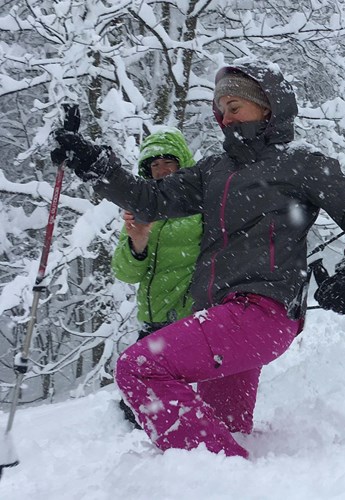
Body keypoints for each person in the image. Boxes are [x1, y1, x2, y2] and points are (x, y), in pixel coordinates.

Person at [50, 63, 345, 458]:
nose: (225, 118)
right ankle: (234, 480)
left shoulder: (303, 162)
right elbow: (149, 199)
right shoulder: (214, 170)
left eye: (234, 107)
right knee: (221, 436)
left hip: (262, 312)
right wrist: (92, 162)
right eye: (220, 110)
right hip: (222, 315)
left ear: (268, 106)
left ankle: (227, 481)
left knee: (138, 367)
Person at [110, 128, 202, 427]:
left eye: (168, 162)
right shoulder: (143, 211)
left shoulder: (202, 204)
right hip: (154, 321)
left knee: (167, 399)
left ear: (182, 163)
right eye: (155, 165)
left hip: (191, 319)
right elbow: (126, 273)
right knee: (136, 401)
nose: (161, 170)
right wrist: (137, 242)